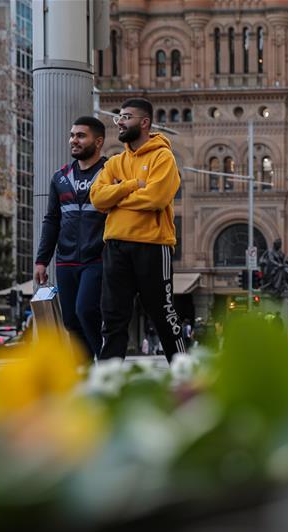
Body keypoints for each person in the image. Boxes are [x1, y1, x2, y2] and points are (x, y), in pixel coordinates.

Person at [90, 97, 186, 362]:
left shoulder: (162, 157)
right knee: (112, 317)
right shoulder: (113, 162)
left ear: (144, 123)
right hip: (115, 247)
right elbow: (97, 198)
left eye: (126, 117)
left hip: (153, 246)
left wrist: (116, 201)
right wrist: (131, 185)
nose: (120, 122)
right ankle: (110, 380)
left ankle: (184, 375)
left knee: (164, 315)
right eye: (119, 117)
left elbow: (156, 198)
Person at [34, 116, 108, 358]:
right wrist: (41, 260)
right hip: (65, 262)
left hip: (98, 259)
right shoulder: (60, 177)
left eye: (80, 135)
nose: (73, 140)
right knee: (71, 321)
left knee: (86, 310)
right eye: (72, 135)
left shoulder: (111, 173)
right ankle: (85, 375)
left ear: (98, 142)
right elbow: (51, 220)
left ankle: (107, 364)